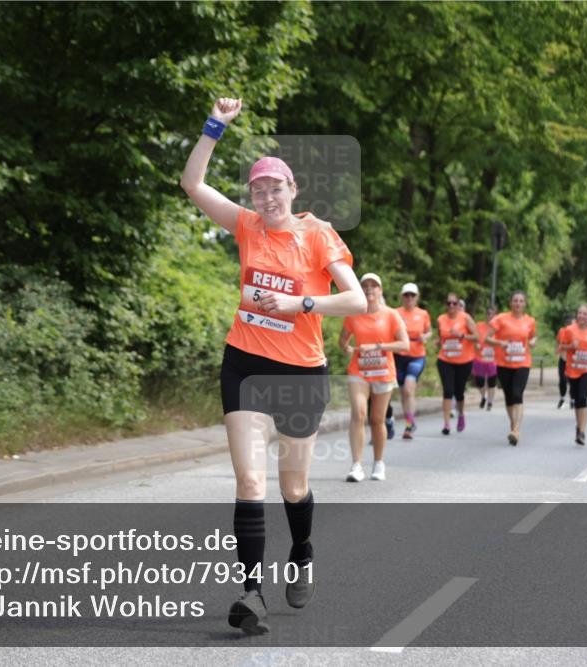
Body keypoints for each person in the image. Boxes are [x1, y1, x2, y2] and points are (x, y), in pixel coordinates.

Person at [181, 97, 367, 635]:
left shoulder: (318, 234)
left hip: (301, 373)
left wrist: (299, 304)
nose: (266, 197)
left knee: (293, 487)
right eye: (258, 190)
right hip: (244, 364)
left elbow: (356, 300)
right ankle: (252, 593)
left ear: (293, 190)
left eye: (275, 188)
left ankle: (302, 551)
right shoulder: (246, 227)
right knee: (248, 479)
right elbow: (192, 184)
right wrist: (214, 126)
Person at [340, 273, 410, 482]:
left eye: (374, 285)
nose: (369, 289)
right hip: (359, 371)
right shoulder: (354, 314)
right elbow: (343, 340)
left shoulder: (391, 315)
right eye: (365, 285)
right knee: (359, 413)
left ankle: (378, 462)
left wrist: (379, 346)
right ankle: (356, 465)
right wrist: (347, 347)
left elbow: (404, 344)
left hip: (383, 372)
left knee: (377, 419)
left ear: (380, 290)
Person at [485, 291, 537, 445]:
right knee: (509, 396)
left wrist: (533, 342)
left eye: (521, 301)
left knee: (517, 393)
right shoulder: (501, 319)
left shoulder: (530, 321)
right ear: (510, 303)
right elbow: (487, 338)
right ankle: (513, 425)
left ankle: (516, 430)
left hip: (523, 362)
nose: (518, 303)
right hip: (504, 363)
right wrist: (500, 343)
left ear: (525, 304)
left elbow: (532, 337)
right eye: (515, 300)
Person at [434, 292, 478, 435]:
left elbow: (477, 336)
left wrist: (461, 335)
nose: (451, 306)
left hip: (464, 361)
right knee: (448, 390)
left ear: (459, 305)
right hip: (445, 359)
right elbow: (440, 336)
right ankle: (446, 424)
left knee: (459, 392)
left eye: (454, 303)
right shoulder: (441, 319)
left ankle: (461, 414)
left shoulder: (465, 318)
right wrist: (437, 342)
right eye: (449, 303)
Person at [557, 304, 587, 445]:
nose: (581, 316)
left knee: (583, 397)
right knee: (576, 399)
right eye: (579, 313)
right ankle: (578, 425)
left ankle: (582, 432)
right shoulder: (569, 330)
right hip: (573, 369)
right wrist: (571, 346)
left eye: (584, 314)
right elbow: (561, 347)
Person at [394, 282, 432, 439]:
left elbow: (429, 331)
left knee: (409, 389)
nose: (409, 298)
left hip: (416, 356)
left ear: (417, 297)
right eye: (406, 295)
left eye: (412, 295)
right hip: (399, 356)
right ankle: (409, 420)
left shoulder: (423, 314)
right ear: (402, 297)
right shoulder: (395, 313)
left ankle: (409, 426)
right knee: (403, 392)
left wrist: (425, 336)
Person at [473, 305, 499, 411]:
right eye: (488, 314)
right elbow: (474, 338)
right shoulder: (479, 325)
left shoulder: (498, 328)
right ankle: (483, 397)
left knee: (492, 382)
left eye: (492, 314)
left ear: (496, 316)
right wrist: (476, 344)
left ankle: (490, 402)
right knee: (480, 382)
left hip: (493, 359)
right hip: (479, 358)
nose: (490, 316)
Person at [556, 316, 574, 408]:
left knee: (572, 381)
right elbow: (558, 342)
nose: (568, 325)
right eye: (567, 323)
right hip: (563, 358)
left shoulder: (576, 332)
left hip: (573, 360)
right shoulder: (561, 331)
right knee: (562, 379)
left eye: (570, 323)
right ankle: (562, 398)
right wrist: (557, 349)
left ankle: (572, 399)